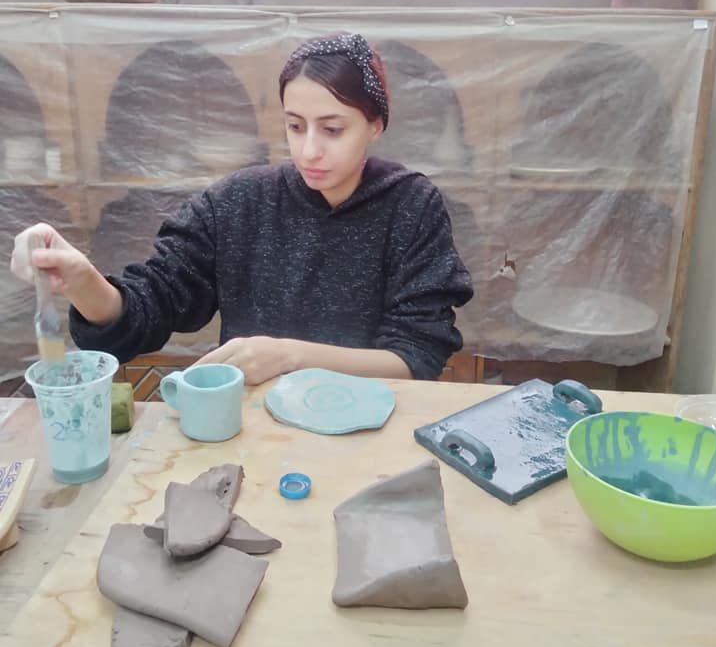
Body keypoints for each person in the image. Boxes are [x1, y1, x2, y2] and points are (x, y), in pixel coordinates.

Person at [11, 33, 473, 384]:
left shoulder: (411, 205)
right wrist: (83, 281)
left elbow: (416, 356)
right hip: (257, 427)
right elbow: (150, 307)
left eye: (332, 129)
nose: (309, 150)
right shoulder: (240, 201)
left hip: (372, 427)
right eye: (295, 127)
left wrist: (291, 356)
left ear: (375, 125)